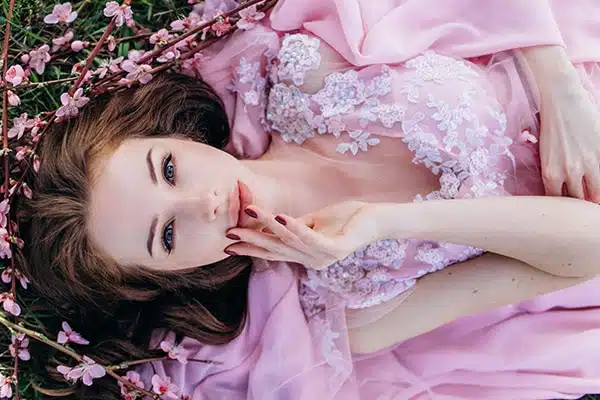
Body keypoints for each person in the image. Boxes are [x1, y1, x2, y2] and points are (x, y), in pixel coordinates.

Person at [20, 0, 600, 399]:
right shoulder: (355, 300)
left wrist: (560, 87)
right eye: (167, 235)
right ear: (176, 275)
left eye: (169, 169)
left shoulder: (302, 63)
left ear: (169, 134)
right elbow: (589, 248)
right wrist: (387, 223)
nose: (202, 202)